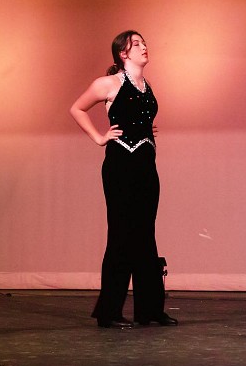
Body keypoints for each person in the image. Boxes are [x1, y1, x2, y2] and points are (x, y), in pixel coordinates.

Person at [70, 30, 177, 329]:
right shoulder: (109, 83)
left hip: (146, 166)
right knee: (121, 235)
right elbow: (77, 108)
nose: (144, 47)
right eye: (136, 44)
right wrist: (99, 137)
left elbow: (137, 117)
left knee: (145, 236)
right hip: (121, 166)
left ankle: (149, 310)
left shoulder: (146, 85)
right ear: (123, 53)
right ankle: (109, 312)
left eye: (144, 43)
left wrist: (144, 129)